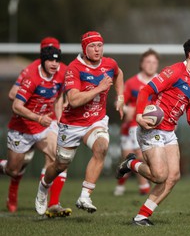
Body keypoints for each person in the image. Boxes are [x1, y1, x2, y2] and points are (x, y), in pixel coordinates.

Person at [116, 37, 190, 226]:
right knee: (160, 175)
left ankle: (141, 217)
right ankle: (131, 163)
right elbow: (146, 91)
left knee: (174, 177)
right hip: (151, 128)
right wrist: (139, 115)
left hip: (169, 132)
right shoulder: (174, 71)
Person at [35, 31, 125, 215]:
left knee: (101, 148)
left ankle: (85, 195)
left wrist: (120, 96)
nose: (97, 49)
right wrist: (99, 88)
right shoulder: (74, 68)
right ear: (84, 49)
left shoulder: (109, 63)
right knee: (61, 164)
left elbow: (118, 73)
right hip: (73, 124)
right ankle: (44, 185)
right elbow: (74, 100)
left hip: (96, 120)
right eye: (92, 46)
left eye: (100, 45)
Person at [0, 45, 71, 217]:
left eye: (57, 60)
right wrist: (38, 117)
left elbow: (57, 100)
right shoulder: (31, 77)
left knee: (61, 158)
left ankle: (46, 197)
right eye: (50, 60)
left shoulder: (61, 74)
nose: (54, 64)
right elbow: (16, 105)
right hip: (21, 129)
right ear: (43, 60)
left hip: (43, 128)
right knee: (13, 170)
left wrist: (61, 120)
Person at [114, 49, 159, 196]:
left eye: (154, 62)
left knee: (140, 155)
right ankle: (124, 185)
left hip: (152, 126)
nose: (151, 65)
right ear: (141, 64)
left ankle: (144, 186)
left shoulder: (161, 82)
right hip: (131, 125)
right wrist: (127, 109)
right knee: (129, 156)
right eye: (148, 62)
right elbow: (119, 101)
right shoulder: (132, 83)